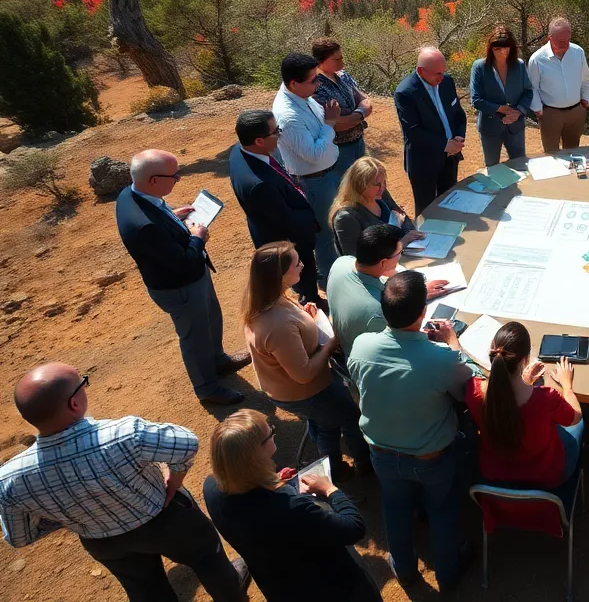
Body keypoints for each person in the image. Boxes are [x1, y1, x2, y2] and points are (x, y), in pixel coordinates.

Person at [0, 363, 250, 601]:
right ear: (74, 403)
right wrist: (174, 479)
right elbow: (187, 442)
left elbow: (21, 537)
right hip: (165, 517)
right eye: (82, 383)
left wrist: (66, 515)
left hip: (103, 541)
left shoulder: (9, 479)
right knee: (208, 557)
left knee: (143, 588)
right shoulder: (124, 434)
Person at [346, 270, 480, 591]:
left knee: (394, 508)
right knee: (443, 511)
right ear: (423, 313)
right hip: (431, 458)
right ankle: (448, 575)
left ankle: (404, 570)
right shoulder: (441, 358)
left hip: (382, 453)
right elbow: (467, 390)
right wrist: (453, 344)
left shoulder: (362, 346)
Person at [203, 410, 381, 602]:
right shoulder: (290, 507)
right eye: (270, 433)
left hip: (280, 586)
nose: (274, 432)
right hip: (331, 588)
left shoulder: (211, 486)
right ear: (255, 454)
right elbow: (354, 528)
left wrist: (275, 482)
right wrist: (330, 490)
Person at [117, 149, 250, 406]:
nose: (178, 178)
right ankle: (207, 388)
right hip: (181, 286)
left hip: (191, 279)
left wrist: (172, 217)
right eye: (174, 175)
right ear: (154, 180)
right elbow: (183, 262)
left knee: (211, 317)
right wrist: (198, 238)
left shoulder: (131, 194)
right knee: (194, 337)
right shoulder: (145, 226)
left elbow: (158, 224)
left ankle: (218, 360)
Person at [243, 241, 371, 480]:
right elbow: (303, 374)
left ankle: (328, 447)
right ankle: (354, 467)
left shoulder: (269, 300)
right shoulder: (278, 324)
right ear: (280, 275)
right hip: (307, 391)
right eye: (296, 263)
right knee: (347, 417)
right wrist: (331, 343)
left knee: (323, 421)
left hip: (292, 390)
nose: (303, 265)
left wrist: (306, 315)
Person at [466, 322, 584, 488]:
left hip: (495, 476)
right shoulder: (546, 398)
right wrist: (567, 387)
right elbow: (575, 417)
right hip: (544, 477)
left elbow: (506, 403)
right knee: (577, 424)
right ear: (524, 360)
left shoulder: (474, 391)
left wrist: (526, 382)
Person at [229, 109, 324, 306]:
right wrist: (312, 220)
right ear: (258, 141)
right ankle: (311, 300)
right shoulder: (258, 185)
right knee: (299, 268)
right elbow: (287, 221)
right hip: (287, 238)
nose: (280, 134)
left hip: (270, 220)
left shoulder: (239, 151)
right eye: (275, 132)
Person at [272, 52, 343, 288]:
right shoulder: (288, 115)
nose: (318, 83)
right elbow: (312, 154)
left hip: (327, 174)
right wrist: (330, 124)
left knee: (333, 225)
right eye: (313, 80)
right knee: (325, 233)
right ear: (294, 83)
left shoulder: (303, 97)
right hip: (314, 181)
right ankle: (333, 282)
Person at [327, 224, 451, 355]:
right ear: (383, 263)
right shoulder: (378, 313)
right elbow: (401, 346)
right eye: (399, 253)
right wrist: (415, 297)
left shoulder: (341, 262)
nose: (400, 256)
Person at [395, 46, 468, 214]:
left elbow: (458, 113)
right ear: (421, 71)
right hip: (424, 162)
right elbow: (413, 132)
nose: (442, 77)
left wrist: (458, 136)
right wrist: (444, 144)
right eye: (437, 73)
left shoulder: (447, 82)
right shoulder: (405, 92)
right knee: (426, 210)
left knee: (449, 202)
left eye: (444, 71)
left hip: (450, 158)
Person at [329, 155, 422, 257]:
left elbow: (400, 215)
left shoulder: (380, 194)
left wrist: (412, 232)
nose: (382, 187)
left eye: (383, 182)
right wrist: (400, 245)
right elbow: (358, 260)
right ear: (359, 184)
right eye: (376, 184)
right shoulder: (346, 217)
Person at [526, 17, 589, 153]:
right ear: (550, 37)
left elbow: (586, 78)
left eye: (568, 40)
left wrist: (585, 99)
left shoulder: (578, 52)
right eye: (561, 41)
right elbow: (532, 88)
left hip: (576, 112)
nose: (566, 44)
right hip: (550, 113)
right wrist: (538, 110)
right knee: (552, 155)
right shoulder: (537, 59)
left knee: (573, 153)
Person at [311, 37, 374, 178]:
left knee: (367, 182)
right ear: (320, 60)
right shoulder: (315, 86)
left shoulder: (343, 75)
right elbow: (335, 125)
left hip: (359, 141)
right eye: (336, 59)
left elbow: (365, 101)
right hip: (339, 150)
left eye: (341, 58)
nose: (342, 62)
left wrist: (355, 116)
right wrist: (361, 114)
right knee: (348, 187)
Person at [470, 25, 533, 165]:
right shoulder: (480, 67)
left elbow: (528, 92)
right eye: (497, 48)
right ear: (490, 49)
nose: (502, 52)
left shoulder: (519, 65)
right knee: (492, 167)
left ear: (511, 48)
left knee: (520, 164)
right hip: (490, 127)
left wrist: (519, 112)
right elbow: (476, 99)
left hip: (515, 125)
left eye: (506, 47)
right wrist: (500, 108)